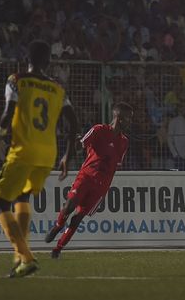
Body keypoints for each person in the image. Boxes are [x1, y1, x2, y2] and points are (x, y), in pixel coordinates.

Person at [0, 40, 78, 278]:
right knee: (22, 196)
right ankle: (20, 260)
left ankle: (26, 257)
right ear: (49, 62)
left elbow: (8, 113)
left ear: (27, 59)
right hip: (48, 154)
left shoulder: (17, 80)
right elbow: (73, 122)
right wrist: (68, 154)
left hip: (24, 150)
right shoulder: (58, 88)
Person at [46, 103, 134, 258]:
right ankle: (58, 226)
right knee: (69, 206)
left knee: (77, 218)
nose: (130, 122)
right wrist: (76, 147)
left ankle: (58, 248)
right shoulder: (99, 130)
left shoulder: (124, 141)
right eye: (128, 118)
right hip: (86, 177)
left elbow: (117, 163)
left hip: (101, 186)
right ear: (119, 118)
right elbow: (81, 144)